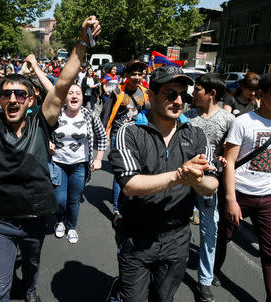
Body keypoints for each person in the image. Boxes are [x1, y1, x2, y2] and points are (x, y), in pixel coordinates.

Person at [0, 6, 101, 302]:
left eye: (20, 94)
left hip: (35, 220)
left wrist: (81, 40)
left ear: (31, 99)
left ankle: (30, 289)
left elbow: (64, 81)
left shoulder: (43, 122)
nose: (12, 99)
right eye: (6, 94)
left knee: (31, 267)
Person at [108, 66, 218, 302]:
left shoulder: (197, 135)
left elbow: (212, 185)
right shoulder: (130, 132)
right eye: (170, 94)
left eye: (182, 96)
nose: (178, 101)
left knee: (163, 298)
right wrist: (179, 176)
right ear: (152, 94)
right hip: (137, 237)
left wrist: (197, 181)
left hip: (177, 239)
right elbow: (129, 184)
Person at [214, 71, 271, 301]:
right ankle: (208, 274)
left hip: (269, 198)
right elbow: (229, 163)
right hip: (239, 194)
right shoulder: (243, 122)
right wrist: (230, 200)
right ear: (261, 94)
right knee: (221, 239)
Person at [184, 73, 235, 302]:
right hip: (184, 180)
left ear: (212, 93)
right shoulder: (187, 116)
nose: (193, 93)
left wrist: (225, 158)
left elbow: (232, 151)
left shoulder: (228, 120)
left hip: (209, 183)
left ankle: (205, 280)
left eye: (198, 90)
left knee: (209, 230)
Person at [51, 84, 107, 244]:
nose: (74, 96)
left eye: (78, 93)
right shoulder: (56, 113)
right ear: (64, 97)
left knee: (74, 199)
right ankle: (60, 220)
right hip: (58, 163)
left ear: (82, 97)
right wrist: (48, 142)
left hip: (79, 165)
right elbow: (44, 131)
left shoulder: (89, 114)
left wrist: (98, 158)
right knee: (59, 199)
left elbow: (103, 136)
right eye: (70, 93)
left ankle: (71, 226)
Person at [100, 60, 150, 223]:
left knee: (135, 172)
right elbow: (106, 114)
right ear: (127, 75)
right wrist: (104, 137)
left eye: (139, 74)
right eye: (133, 74)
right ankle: (116, 209)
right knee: (121, 173)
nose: (136, 77)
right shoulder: (117, 92)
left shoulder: (145, 92)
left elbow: (148, 114)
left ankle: (126, 201)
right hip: (118, 136)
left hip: (137, 137)